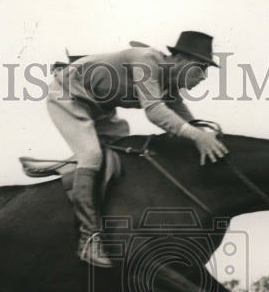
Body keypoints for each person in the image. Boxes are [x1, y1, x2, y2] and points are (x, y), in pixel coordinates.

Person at [46, 31, 229, 268]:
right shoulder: (147, 60)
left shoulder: (169, 83)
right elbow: (155, 112)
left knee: (121, 153)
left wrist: (204, 135)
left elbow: (185, 122)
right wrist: (197, 136)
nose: (203, 77)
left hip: (100, 107)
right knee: (91, 156)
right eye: (201, 68)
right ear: (181, 61)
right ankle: (88, 238)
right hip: (67, 94)